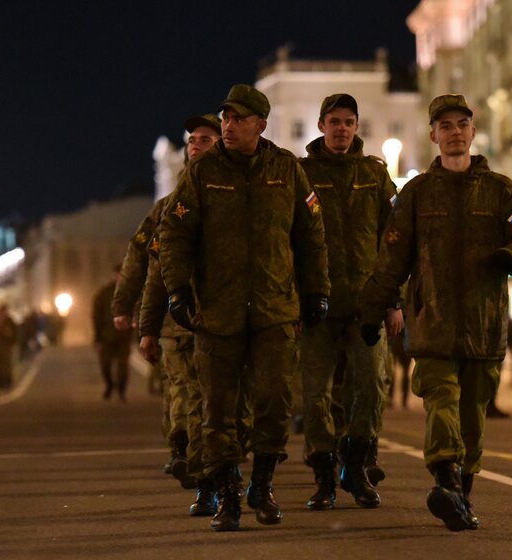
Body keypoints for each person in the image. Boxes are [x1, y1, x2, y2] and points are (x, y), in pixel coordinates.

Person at [358, 93, 512, 531]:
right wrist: (373, 310)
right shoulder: (417, 193)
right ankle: (445, 480)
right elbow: (392, 259)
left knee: (472, 417)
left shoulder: (500, 191)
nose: (455, 132)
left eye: (462, 124)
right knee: (442, 402)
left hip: (484, 326)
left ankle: (462, 494)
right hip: (433, 324)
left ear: (473, 132)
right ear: (433, 136)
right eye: (446, 126)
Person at [159, 84, 330, 532]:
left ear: (261, 125)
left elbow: (311, 236)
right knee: (219, 409)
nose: (228, 126)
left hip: (275, 309)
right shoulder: (202, 172)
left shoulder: (287, 170)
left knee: (274, 401)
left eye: (238, 119)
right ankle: (228, 494)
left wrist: (317, 290)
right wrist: (178, 289)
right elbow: (175, 235)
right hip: (217, 312)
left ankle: (263, 485)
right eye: (225, 119)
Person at [297, 93, 399, 510]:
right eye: (334, 121)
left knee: (372, 387)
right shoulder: (301, 175)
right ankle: (323, 473)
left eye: (348, 122)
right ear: (321, 125)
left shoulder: (374, 174)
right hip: (316, 307)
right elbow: (288, 240)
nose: (341, 129)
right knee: (314, 395)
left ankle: (355, 467)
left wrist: (392, 301)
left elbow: (393, 242)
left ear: (357, 127)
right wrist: (294, 301)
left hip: (365, 306)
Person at [138, 113, 221, 509]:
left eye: (206, 139)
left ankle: (236, 475)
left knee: (230, 402)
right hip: (184, 318)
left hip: (237, 314)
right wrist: (147, 325)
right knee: (191, 393)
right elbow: (156, 267)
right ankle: (202, 472)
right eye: (192, 140)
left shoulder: (248, 191)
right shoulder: (173, 206)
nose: (196, 146)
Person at [92, 265, 133, 401]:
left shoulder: (130, 292)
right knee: (105, 364)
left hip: (124, 336)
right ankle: (109, 385)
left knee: (123, 366)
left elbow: (136, 312)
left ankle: (121, 390)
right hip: (107, 336)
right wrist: (97, 337)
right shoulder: (104, 293)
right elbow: (97, 316)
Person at [0, 305, 18, 391]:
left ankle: (7, 381)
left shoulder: (9, 321)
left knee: (6, 365)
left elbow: (14, 333)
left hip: (6, 345)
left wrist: (12, 341)